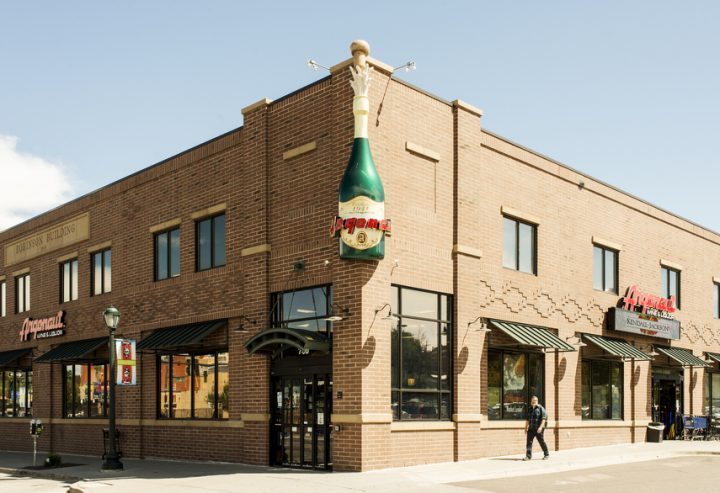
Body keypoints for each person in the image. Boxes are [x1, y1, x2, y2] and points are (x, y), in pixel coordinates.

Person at [524, 395, 549, 461]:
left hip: (538, 429)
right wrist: (526, 427)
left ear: (537, 401)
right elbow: (527, 419)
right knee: (529, 442)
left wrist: (540, 427)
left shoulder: (541, 408)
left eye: (535, 401)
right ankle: (528, 456)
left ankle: (546, 454)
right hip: (531, 428)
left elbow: (544, 419)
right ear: (531, 401)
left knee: (541, 441)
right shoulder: (529, 409)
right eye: (532, 401)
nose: (533, 402)